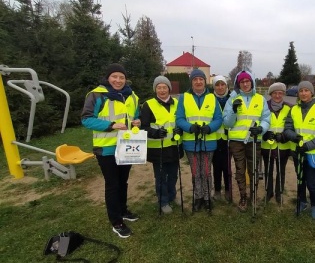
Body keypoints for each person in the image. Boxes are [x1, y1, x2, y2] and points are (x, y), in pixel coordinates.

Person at [81, 63, 140, 238]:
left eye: (121, 77)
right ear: (108, 78)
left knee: (123, 181)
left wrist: (136, 121)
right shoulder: (96, 95)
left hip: (127, 146)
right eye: (114, 76)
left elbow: (134, 116)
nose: (118, 80)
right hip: (105, 148)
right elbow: (86, 119)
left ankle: (123, 210)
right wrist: (111, 125)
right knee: (112, 184)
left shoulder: (132, 96)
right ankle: (116, 221)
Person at [283, 81, 315, 220]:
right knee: (300, 180)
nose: (303, 93)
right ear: (298, 93)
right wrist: (295, 137)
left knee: (311, 182)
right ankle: (302, 201)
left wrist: (308, 145)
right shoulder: (294, 109)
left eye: (306, 90)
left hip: (314, 153)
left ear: (312, 92)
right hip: (298, 151)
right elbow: (287, 129)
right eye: (301, 91)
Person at [223, 70, 270, 212]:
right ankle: (243, 196)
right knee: (240, 170)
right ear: (238, 84)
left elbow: (266, 118)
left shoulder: (260, 99)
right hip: (237, 141)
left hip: (254, 139)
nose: (245, 84)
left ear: (252, 82)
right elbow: (227, 123)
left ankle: (253, 195)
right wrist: (234, 111)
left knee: (254, 169)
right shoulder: (232, 99)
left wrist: (261, 128)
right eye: (242, 82)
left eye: (247, 81)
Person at [176, 69, 222, 212]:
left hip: (208, 142)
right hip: (191, 142)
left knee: (206, 172)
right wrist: (189, 127)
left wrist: (210, 128)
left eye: (201, 79)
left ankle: (208, 198)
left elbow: (218, 118)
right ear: (191, 82)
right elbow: (179, 118)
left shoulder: (212, 98)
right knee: (196, 172)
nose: (198, 82)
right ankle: (198, 197)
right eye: (195, 79)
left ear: (205, 81)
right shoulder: (184, 97)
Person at [140, 76, 183, 215]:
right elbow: (143, 126)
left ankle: (172, 195)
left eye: (165, 87)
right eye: (159, 87)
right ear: (155, 89)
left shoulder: (177, 103)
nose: (162, 90)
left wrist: (180, 130)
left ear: (169, 88)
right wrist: (155, 132)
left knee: (173, 175)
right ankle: (163, 200)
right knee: (160, 177)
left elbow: (182, 121)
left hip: (174, 146)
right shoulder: (148, 105)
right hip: (158, 148)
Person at [261, 82, 292, 204]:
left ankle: (279, 193)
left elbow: (292, 126)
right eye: (275, 93)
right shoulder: (264, 107)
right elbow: (259, 123)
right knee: (268, 170)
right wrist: (264, 134)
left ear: (283, 94)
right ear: (270, 94)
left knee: (281, 170)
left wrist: (284, 136)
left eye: (280, 93)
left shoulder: (289, 107)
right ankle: (269, 192)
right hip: (267, 145)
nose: (278, 96)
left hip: (283, 145)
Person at [211, 75, 232, 201]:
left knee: (227, 166)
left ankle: (228, 190)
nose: (220, 87)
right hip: (214, 138)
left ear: (226, 86)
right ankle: (217, 190)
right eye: (217, 85)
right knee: (216, 166)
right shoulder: (210, 99)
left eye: (222, 84)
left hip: (229, 138)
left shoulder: (232, 99)